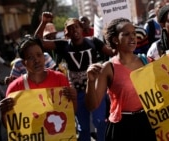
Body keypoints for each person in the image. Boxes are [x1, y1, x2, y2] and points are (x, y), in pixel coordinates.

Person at [34, 12, 116, 141]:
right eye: (70, 28)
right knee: (82, 128)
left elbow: (112, 52)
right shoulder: (63, 45)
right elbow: (38, 42)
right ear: (67, 32)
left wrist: (116, 37)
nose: (74, 30)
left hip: (95, 89)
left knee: (100, 122)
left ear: (81, 28)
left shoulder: (93, 41)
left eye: (76, 26)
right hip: (76, 93)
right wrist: (44, 22)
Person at [85, 17, 157, 141]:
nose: (133, 37)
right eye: (126, 34)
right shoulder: (108, 68)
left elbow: (168, 85)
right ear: (115, 39)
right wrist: (90, 82)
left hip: (147, 123)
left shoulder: (147, 61)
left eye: (134, 33)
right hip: (122, 127)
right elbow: (92, 105)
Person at [0, 36, 77, 130]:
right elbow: (10, 126)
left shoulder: (60, 79)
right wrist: (3, 112)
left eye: (39, 55)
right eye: (30, 57)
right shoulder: (14, 89)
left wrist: (74, 98)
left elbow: (71, 113)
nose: (36, 60)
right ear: (24, 63)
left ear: (44, 57)